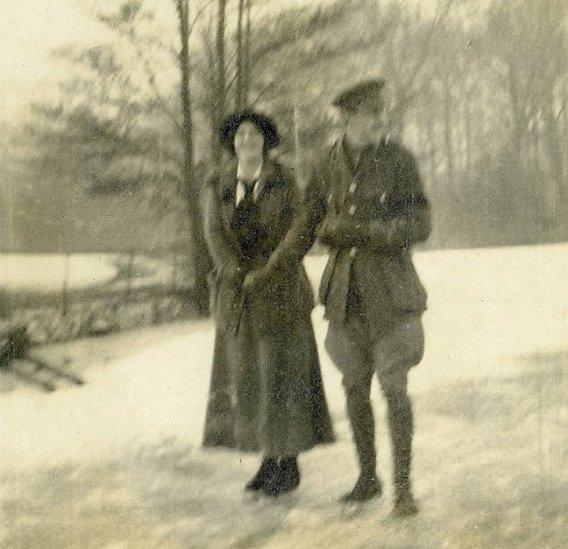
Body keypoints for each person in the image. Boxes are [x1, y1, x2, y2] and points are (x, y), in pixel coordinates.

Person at [283, 79, 431, 515]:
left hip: (391, 291)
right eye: (369, 115)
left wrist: (369, 233)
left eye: (380, 114)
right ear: (346, 119)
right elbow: (307, 221)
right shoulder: (326, 164)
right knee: (353, 386)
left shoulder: (399, 160)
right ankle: (368, 478)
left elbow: (421, 221)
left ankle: (402, 489)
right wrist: (277, 264)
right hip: (345, 295)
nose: (377, 122)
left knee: (394, 387)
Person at [201, 110, 334, 497]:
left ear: (265, 141)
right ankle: (267, 459)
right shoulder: (217, 185)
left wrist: (272, 268)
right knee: (250, 379)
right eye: (240, 135)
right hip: (238, 295)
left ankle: (288, 462)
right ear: (232, 143)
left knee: (283, 378)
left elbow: (300, 228)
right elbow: (213, 233)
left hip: (281, 292)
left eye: (254, 134)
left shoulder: (285, 181)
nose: (247, 141)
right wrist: (234, 272)